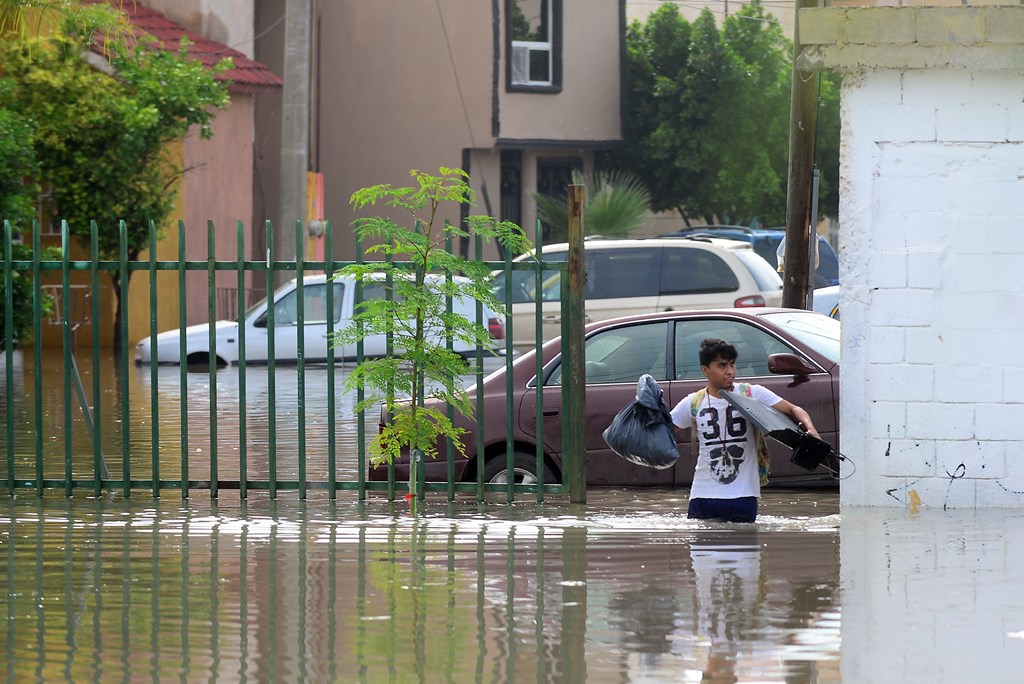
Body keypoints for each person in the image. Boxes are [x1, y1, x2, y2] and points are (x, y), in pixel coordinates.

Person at [669, 338, 820, 523]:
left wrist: (811, 429)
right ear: (705, 370)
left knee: (744, 548)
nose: (730, 371)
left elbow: (794, 409)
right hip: (703, 495)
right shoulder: (693, 402)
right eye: (722, 365)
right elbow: (663, 433)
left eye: (732, 364)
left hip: (743, 495)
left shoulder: (752, 394)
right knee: (701, 549)